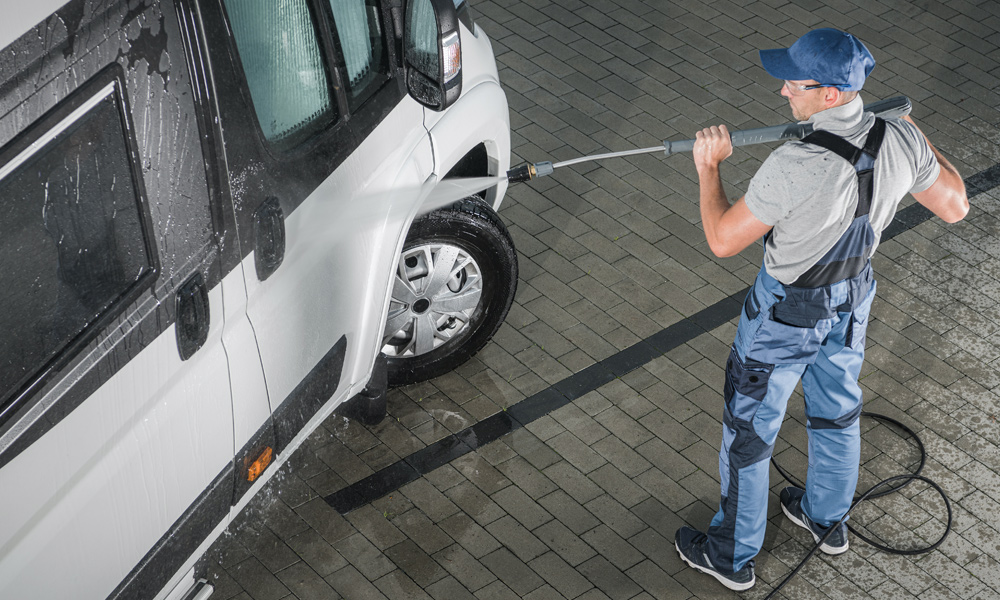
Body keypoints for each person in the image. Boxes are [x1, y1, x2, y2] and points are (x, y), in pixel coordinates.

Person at [673, 27, 969, 591]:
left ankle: (730, 556)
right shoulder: (902, 139)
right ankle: (826, 519)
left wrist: (709, 167)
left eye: (795, 82)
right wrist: (915, 135)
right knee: (836, 411)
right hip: (853, 297)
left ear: (830, 94)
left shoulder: (794, 163)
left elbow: (722, 240)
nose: (783, 90)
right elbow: (955, 205)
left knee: (749, 430)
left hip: (786, 312)